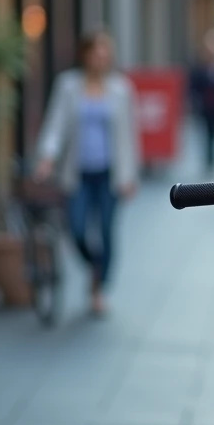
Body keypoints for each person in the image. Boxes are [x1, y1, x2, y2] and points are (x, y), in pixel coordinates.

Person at [35, 31, 141, 317]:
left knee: (106, 230)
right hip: (77, 173)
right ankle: (96, 266)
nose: (100, 59)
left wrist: (130, 176)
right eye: (95, 53)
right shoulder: (68, 85)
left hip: (110, 174)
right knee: (77, 229)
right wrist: (47, 157)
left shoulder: (122, 89)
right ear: (84, 55)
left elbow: (129, 137)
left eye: (105, 54)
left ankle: (99, 289)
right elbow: (55, 125)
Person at [188, 28, 214, 174]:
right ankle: (208, 159)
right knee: (206, 133)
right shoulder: (200, 69)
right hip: (206, 107)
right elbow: (194, 86)